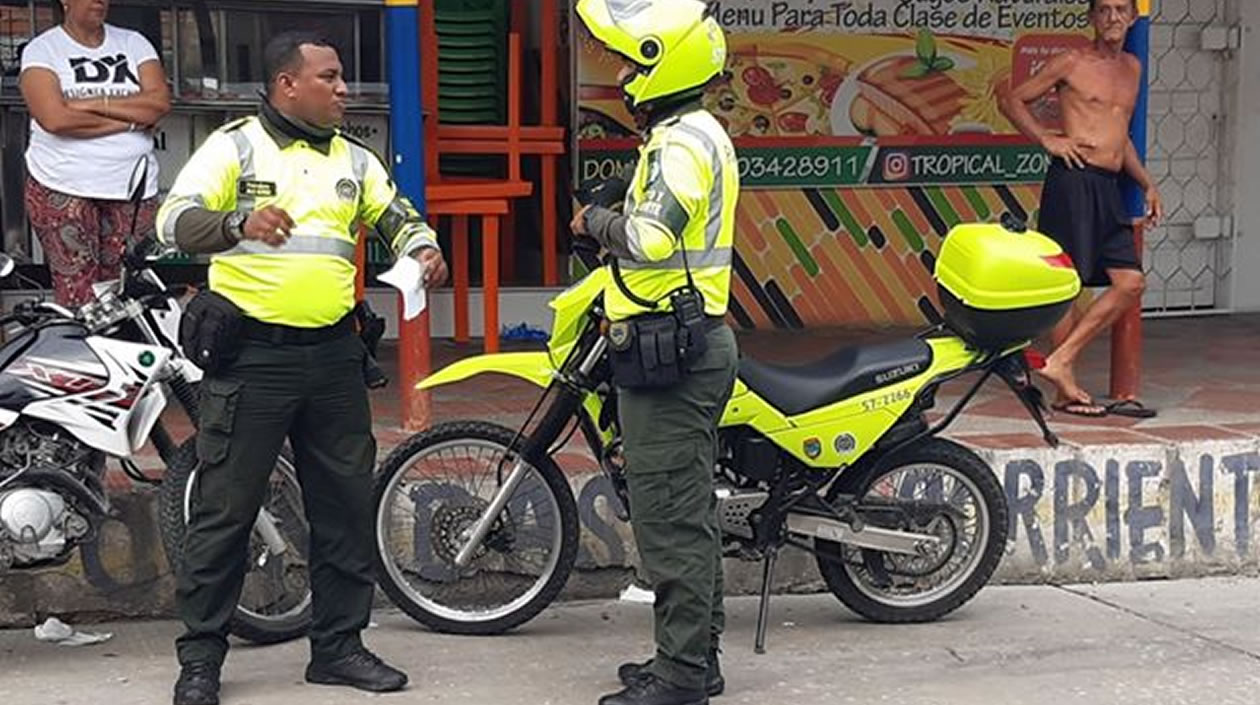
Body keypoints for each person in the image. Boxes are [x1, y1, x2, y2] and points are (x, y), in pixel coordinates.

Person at [154, 32, 448, 705]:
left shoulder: (356, 159)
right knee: (225, 511)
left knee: (343, 506)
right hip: (253, 357)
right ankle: (200, 658)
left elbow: (400, 218)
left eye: (342, 78)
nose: (344, 89)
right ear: (288, 84)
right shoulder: (235, 147)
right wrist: (237, 224)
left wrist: (425, 248)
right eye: (331, 77)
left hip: (334, 357)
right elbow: (174, 222)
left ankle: (339, 646)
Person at [571, 2, 739, 704]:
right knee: (685, 511)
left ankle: (680, 677)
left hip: (672, 353)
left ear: (658, 61)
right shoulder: (685, 134)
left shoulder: (680, 144)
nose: (620, 73)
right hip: (672, 344)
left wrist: (596, 219)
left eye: (630, 60)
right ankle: (694, 656)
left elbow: (652, 240)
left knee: (670, 518)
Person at [1000, 0, 1162, 419]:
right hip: (1072, 180)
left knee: (1130, 282)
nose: (1112, 18)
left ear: (1131, 17)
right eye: (1104, 10)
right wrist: (1047, 139)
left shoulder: (1132, 68)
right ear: (1092, 18)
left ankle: (1061, 361)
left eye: (1120, 10)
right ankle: (1063, 384)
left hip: (1109, 185)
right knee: (1067, 282)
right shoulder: (1070, 61)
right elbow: (1013, 100)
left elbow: (1119, 132)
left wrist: (1146, 183)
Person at [19, 0, 169, 307]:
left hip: (132, 188)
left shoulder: (134, 43)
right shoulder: (43, 49)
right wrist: (132, 120)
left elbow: (158, 104)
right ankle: (81, 355)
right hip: (62, 184)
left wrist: (92, 103)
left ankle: (122, 354)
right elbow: (54, 119)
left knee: (126, 291)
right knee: (79, 294)